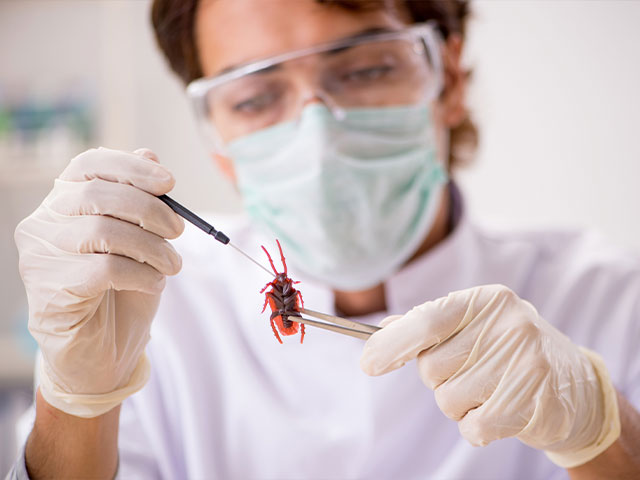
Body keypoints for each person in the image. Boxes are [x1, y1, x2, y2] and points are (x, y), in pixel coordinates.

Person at [7, 0, 640, 479]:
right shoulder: (147, 304)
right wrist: (78, 399)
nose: (316, 131)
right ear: (218, 142)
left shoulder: (608, 299)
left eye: (364, 69)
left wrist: (600, 431)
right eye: (255, 98)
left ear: (447, 79)